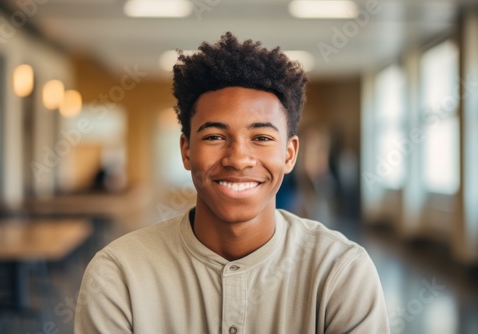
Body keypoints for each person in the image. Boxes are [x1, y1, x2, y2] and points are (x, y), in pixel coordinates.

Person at [75, 32, 389, 333]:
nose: (238, 159)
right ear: (187, 151)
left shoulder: (340, 272)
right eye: (214, 136)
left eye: (262, 137)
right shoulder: (119, 273)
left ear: (290, 154)